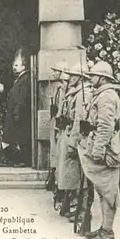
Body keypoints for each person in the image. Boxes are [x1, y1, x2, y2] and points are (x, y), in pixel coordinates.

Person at [77, 61, 120, 239]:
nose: (91, 78)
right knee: (103, 189)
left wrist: (98, 150)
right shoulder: (101, 94)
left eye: (93, 75)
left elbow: (105, 127)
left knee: (108, 191)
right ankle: (104, 228)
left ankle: (107, 231)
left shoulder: (106, 96)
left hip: (108, 151)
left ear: (102, 78)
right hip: (104, 148)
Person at [57, 64, 93, 221]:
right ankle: (72, 205)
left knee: (78, 176)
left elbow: (79, 119)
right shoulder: (74, 92)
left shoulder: (82, 94)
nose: (70, 77)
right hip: (68, 132)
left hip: (75, 137)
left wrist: (73, 142)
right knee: (70, 174)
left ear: (81, 77)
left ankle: (81, 209)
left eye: (73, 75)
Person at [3, 47, 31, 167]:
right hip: (15, 115)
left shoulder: (25, 80)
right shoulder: (20, 79)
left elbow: (21, 99)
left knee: (17, 140)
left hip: (18, 116)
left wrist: (16, 113)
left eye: (16, 65)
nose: (13, 67)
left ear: (23, 66)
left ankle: (22, 160)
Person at [47, 62, 70, 190]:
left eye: (56, 71)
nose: (54, 73)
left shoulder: (62, 89)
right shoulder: (57, 88)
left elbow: (60, 109)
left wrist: (56, 124)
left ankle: (55, 180)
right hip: (55, 121)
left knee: (56, 151)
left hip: (58, 123)